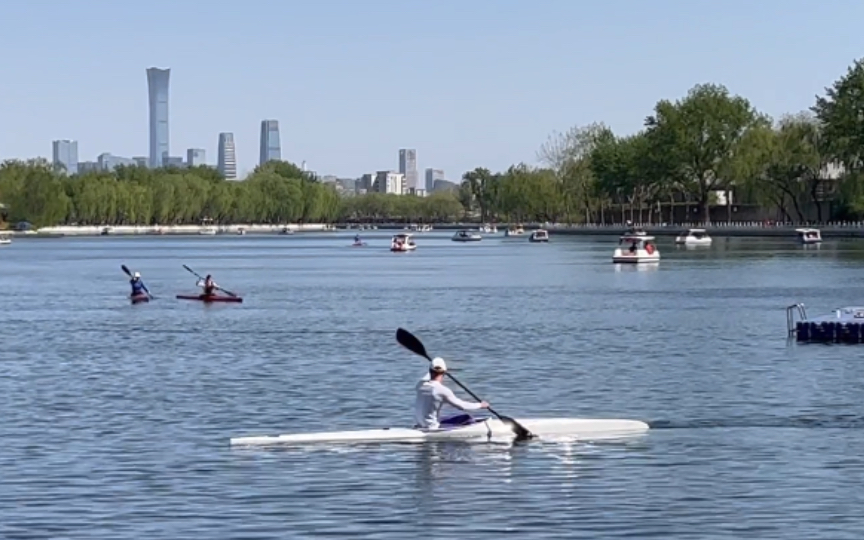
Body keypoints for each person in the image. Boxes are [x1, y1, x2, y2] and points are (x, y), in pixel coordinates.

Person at [414, 357, 489, 430]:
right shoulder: (442, 390)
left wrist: (434, 366)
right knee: (466, 418)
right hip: (432, 428)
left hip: (421, 425)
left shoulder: (420, 385)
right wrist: (480, 405)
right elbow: (462, 406)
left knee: (443, 417)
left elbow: (428, 375)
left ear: (430, 371)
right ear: (444, 372)